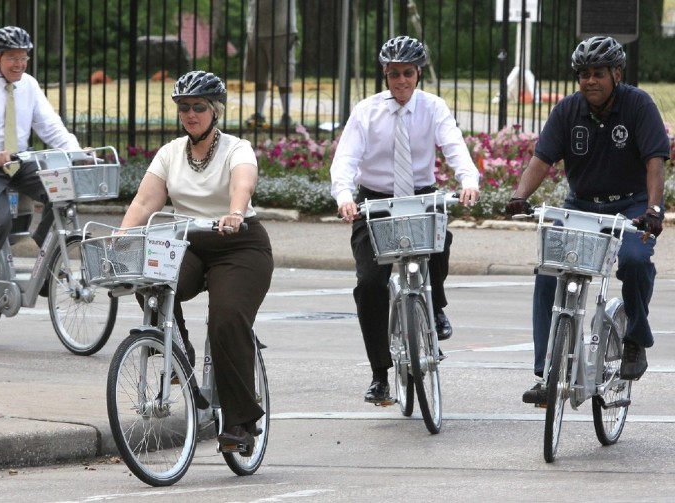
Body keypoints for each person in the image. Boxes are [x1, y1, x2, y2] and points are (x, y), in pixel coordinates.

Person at [505, 36, 670, 405]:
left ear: (616, 73)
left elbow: (655, 162)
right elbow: (541, 161)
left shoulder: (638, 105)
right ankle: (546, 372)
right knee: (548, 270)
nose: (590, 81)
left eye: (598, 73)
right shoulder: (567, 111)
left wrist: (654, 211)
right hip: (579, 206)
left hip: (629, 206)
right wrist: (519, 196)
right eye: (583, 75)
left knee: (635, 261)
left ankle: (634, 342)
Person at [119, 70, 274, 450]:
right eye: (184, 107)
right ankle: (180, 354)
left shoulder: (236, 148)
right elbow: (144, 202)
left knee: (226, 318)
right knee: (149, 280)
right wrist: (121, 237)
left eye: (199, 107)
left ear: (215, 110)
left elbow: (243, 182)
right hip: (189, 242)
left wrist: (235, 212)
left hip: (239, 243)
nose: (191, 114)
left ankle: (240, 424)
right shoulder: (171, 153)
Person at [331, 36, 480, 404]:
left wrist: (469, 180)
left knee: (441, 239)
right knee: (369, 283)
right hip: (375, 201)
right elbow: (346, 158)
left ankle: (437, 307)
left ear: (419, 73)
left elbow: (454, 145)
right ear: (385, 74)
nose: (401, 81)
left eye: (408, 73)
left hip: (419, 196)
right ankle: (380, 374)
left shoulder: (433, 107)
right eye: (394, 73)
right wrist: (345, 196)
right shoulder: (367, 110)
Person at [0, 26, 81, 322]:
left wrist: (77, 153)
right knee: (0, 220)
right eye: (13, 58)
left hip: (18, 161)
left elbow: (51, 127)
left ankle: (44, 249)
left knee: (65, 192)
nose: (20, 65)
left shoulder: (29, 85)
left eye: (24, 58)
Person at [244, 0, 298, 128]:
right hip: (256, 29)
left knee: (283, 75)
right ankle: (258, 113)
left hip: (281, 30)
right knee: (259, 75)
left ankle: (286, 114)